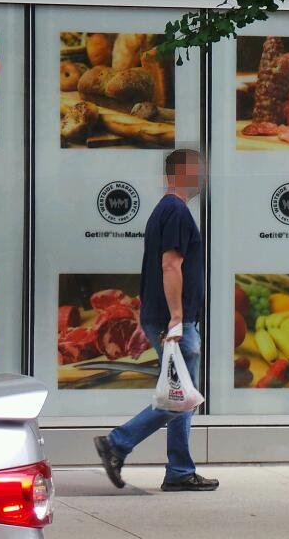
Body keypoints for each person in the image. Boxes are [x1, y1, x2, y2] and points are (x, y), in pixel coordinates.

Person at [94, 148, 219, 492]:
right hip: (173, 321)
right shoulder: (176, 211)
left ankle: (179, 471)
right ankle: (117, 443)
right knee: (180, 398)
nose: (203, 177)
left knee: (181, 395)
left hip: (168, 319)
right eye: (198, 171)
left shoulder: (165, 210)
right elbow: (170, 265)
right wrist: (178, 319)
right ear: (181, 173)